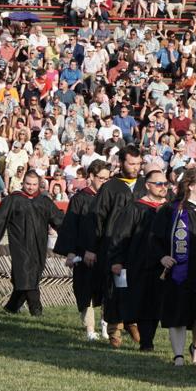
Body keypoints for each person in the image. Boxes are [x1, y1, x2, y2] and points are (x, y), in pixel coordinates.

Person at [84, 146, 146, 348]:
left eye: (138, 164)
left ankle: (133, 323)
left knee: (137, 288)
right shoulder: (110, 187)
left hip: (139, 247)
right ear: (121, 162)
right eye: (131, 163)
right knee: (115, 289)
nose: (135, 167)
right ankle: (114, 330)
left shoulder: (145, 185)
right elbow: (98, 220)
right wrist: (92, 248)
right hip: (114, 246)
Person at [152, 169, 196, 366]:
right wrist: (161, 256)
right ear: (190, 186)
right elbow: (154, 237)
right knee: (178, 314)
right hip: (179, 272)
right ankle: (178, 355)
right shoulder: (172, 210)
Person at [0, 170, 64, 316]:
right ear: (23, 183)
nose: (31, 187)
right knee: (26, 275)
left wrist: (72, 236)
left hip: (39, 246)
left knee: (26, 278)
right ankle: (36, 311)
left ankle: (11, 308)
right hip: (20, 245)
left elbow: (59, 220)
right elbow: (0, 219)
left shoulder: (44, 201)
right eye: (28, 184)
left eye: (34, 184)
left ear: (39, 184)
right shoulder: (13, 200)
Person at [105, 169, 169, 351]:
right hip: (138, 264)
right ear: (148, 185)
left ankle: (147, 340)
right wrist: (116, 260)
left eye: (165, 183)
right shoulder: (135, 208)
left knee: (156, 303)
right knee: (140, 302)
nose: (163, 187)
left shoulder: (170, 209)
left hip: (163, 265)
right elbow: (121, 235)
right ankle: (142, 339)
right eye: (158, 184)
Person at [54, 160, 111, 341]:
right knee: (85, 291)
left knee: (107, 292)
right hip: (83, 254)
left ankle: (106, 327)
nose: (104, 181)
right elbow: (71, 228)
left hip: (106, 254)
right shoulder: (79, 199)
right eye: (101, 178)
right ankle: (90, 330)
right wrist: (72, 252)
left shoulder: (111, 199)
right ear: (91, 177)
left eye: (107, 178)